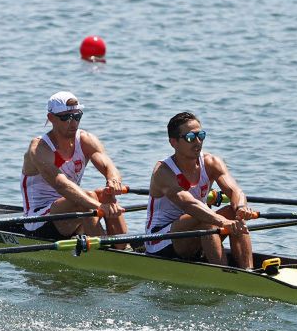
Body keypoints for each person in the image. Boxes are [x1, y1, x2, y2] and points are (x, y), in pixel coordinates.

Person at [145, 111, 254, 268]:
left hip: (196, 228)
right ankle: (223, 275)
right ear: (173, 142)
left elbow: (236, 192)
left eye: (201, 135)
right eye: (190, 138)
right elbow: (189, 205)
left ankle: (248, 271)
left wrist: (242, 208)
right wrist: (222, 221)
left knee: (235, 213)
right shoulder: (163, 171)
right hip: (159, 240)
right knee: (207, 221)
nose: (197, 142)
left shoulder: (212, 162)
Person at [20, 91, 128, 241]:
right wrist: (98, 206)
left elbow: (109, 166)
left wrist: (113, 181)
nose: (73, 123)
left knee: (106, 194)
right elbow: (62, 185)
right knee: (86, 199)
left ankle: (123, 246)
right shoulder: (40, 148)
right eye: (66, 117)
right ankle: (105, 251)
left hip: (68, 213)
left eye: (77, 116)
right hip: (38, 220)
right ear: (51, 118)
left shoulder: (86, 140)